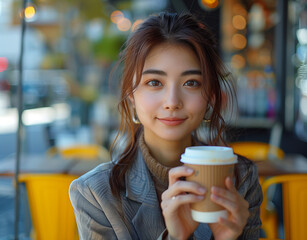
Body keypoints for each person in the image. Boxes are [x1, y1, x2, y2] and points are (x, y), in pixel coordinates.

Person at [69, 11, 262, 240]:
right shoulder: (96, 193)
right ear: (131, 95)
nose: (172, 102)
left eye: (191, 83)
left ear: (210, 94)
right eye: (154, 82)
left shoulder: (240, 180)